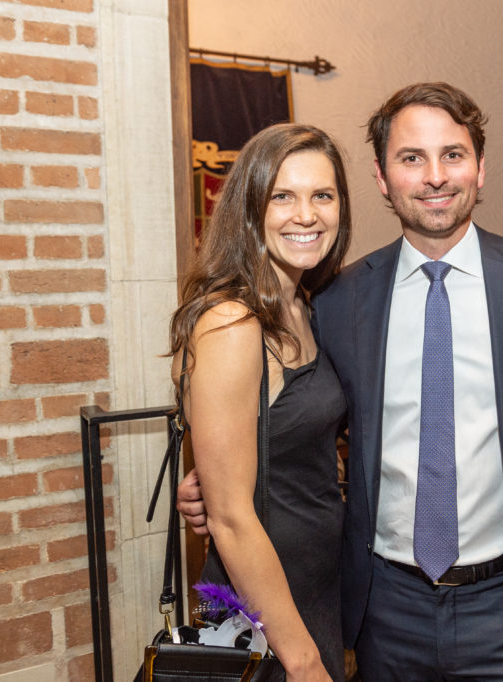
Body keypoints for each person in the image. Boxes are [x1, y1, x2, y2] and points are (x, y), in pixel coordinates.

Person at [179, 82, 503, 680]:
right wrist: (214, 484)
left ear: (480, 168)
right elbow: (294, 418)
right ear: (380, 177)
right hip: (382, 606)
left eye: (453, 154)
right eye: (411, 158)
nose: (435, 176)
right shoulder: (340, 300)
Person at [168, 123, 351, 681]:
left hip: (312, 586)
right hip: (261, 609)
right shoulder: (231, 321)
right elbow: (228, 516)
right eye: (283, 196)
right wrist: (303, 660)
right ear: (250, 208)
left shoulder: (306, 305)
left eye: (323, 195)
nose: (307, 214)